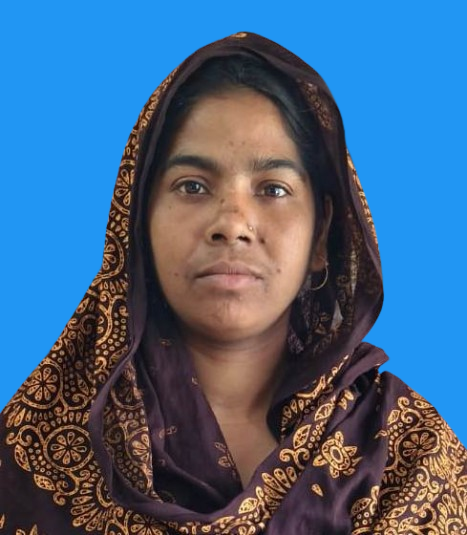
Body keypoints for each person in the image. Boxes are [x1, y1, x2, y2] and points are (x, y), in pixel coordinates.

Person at [0, 32, 465, 535]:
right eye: (193, 186)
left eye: (273, 189)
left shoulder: (403, 451)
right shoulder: (35, 448)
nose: (232, 223)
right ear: (138, 225)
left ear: (320, 236)